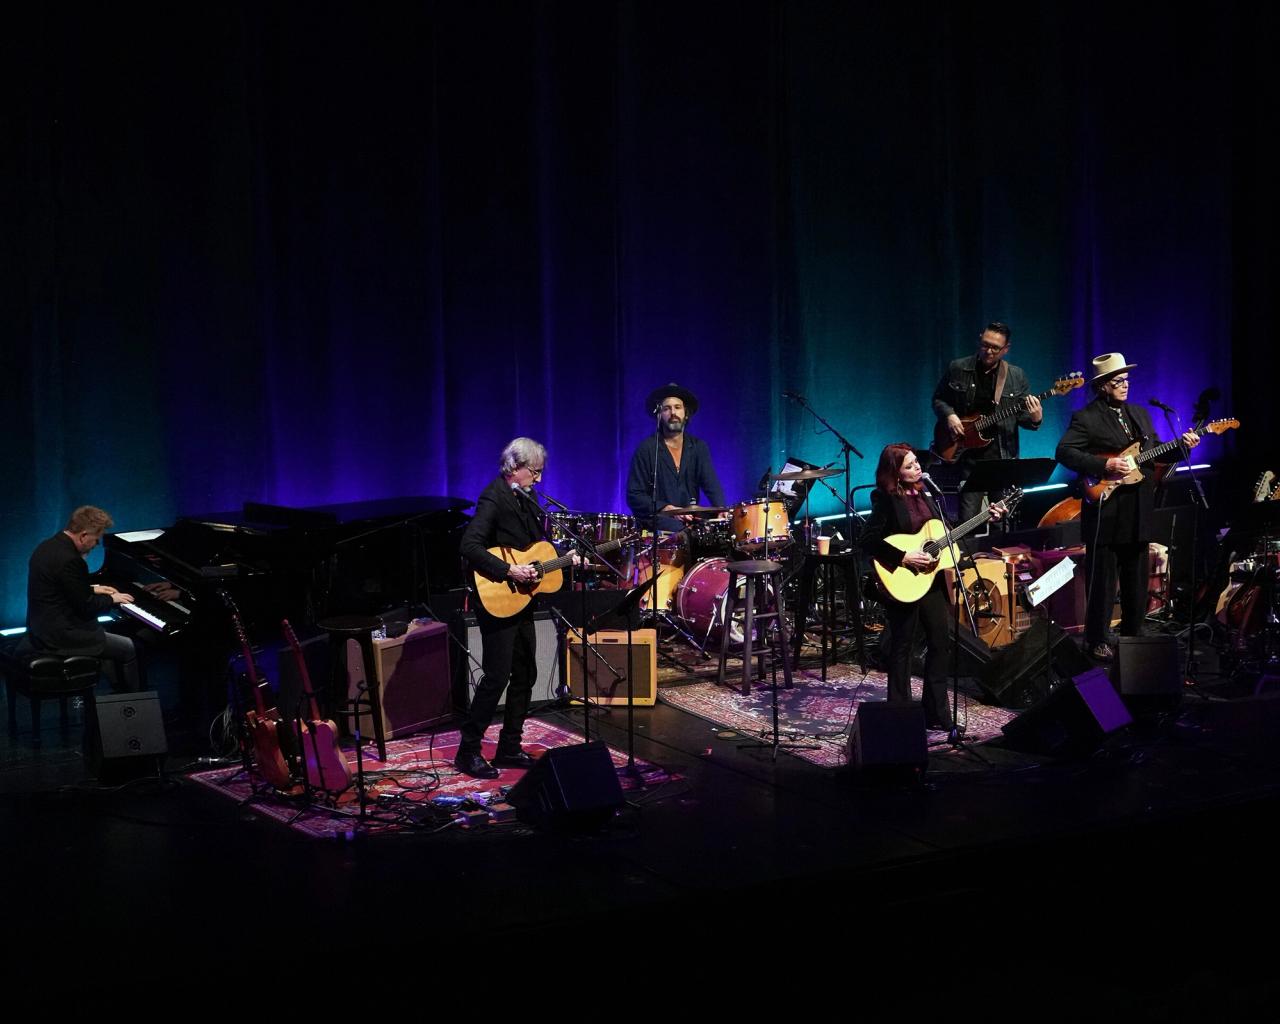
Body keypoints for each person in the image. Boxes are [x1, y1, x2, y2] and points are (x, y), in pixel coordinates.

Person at [1055, 353, 1200, 661]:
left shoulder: (1139, 414)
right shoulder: (1086, 418)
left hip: (1138, 509)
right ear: (1102, 386)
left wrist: (1182, 447)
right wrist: (1104, 465)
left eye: (1126, 380)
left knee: (1137, 579)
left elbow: (1155, 452)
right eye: (1118, 381)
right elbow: (1064, 452)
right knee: (1103, 582)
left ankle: (1134, 635)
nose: (1125, 385)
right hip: (1107, 511)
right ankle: (1096, 639)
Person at [861, 443, 1004, 731]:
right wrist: (904, 556)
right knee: (902, 646)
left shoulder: (927, 493)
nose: (917, 468)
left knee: (940, 642)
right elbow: (867, 540)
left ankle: (935, 713)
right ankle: (900, 714)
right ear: (895, 473)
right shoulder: (885, 498)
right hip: (903, 578)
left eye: (917, 462)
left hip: (931, 580)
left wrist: (985, 517)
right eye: (909, 466)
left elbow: (947, 533)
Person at [456, 437, 553, 779]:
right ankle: (468, 751)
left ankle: (509, 747)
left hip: (521, 600)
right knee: (497, 677)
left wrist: (566, 559)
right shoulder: (493, 496)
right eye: (534, 471)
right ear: (515, 467)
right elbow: (469, 545)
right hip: (497, 598)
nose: (538, 478)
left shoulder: (528, 499)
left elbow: (535, 548)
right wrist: (509, 570)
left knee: (526, 673)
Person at [932, 321, 1042, 521]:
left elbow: (1024, 419)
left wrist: (1036, 418)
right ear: (980, 340)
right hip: (967, 458)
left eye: (995, 348)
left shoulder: (1016, 376)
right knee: (968, 522)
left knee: (1003, 521)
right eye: (985, 344)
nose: (988, 351)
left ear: (1006, 349)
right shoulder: (958, 367)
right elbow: (938, 399)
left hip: (1001, 458)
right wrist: (949, 416)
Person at [25, 505, 139, 690]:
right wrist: (112, 599)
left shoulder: (47, 546)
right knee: (127, 647)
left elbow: (58, 587)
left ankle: (116, 695)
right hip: (60, 636)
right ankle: (133, 700)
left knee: (104, 638)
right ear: (84, 535)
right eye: (96, 539)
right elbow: (86, 607)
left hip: (40, 627)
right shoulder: (71, 560)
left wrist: (92, 588)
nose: (96, 545)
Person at [626, 383, 727, 532]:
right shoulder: (646, 449)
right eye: (666, 408)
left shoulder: (698, 447)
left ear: (686, 414)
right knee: (682, 531)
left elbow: (711, 484)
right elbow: (634, 495)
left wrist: (721, 509)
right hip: (658, 523)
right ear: (659, 415)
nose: (673, 412)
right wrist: (666, 508)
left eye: (677, 407)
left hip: (690, 521)